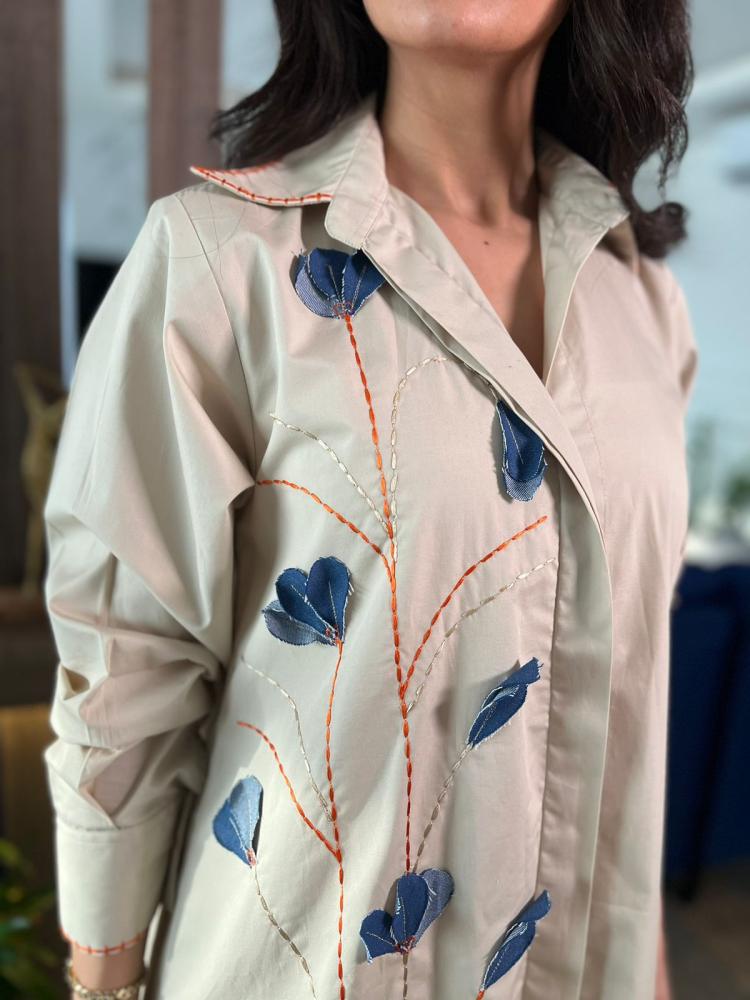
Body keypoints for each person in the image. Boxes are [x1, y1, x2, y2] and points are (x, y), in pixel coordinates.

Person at [44, 1, 697, 998]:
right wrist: (103, 977)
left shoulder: (644, 302)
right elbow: (127, 664)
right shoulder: (221, 268)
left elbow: (631, 701)